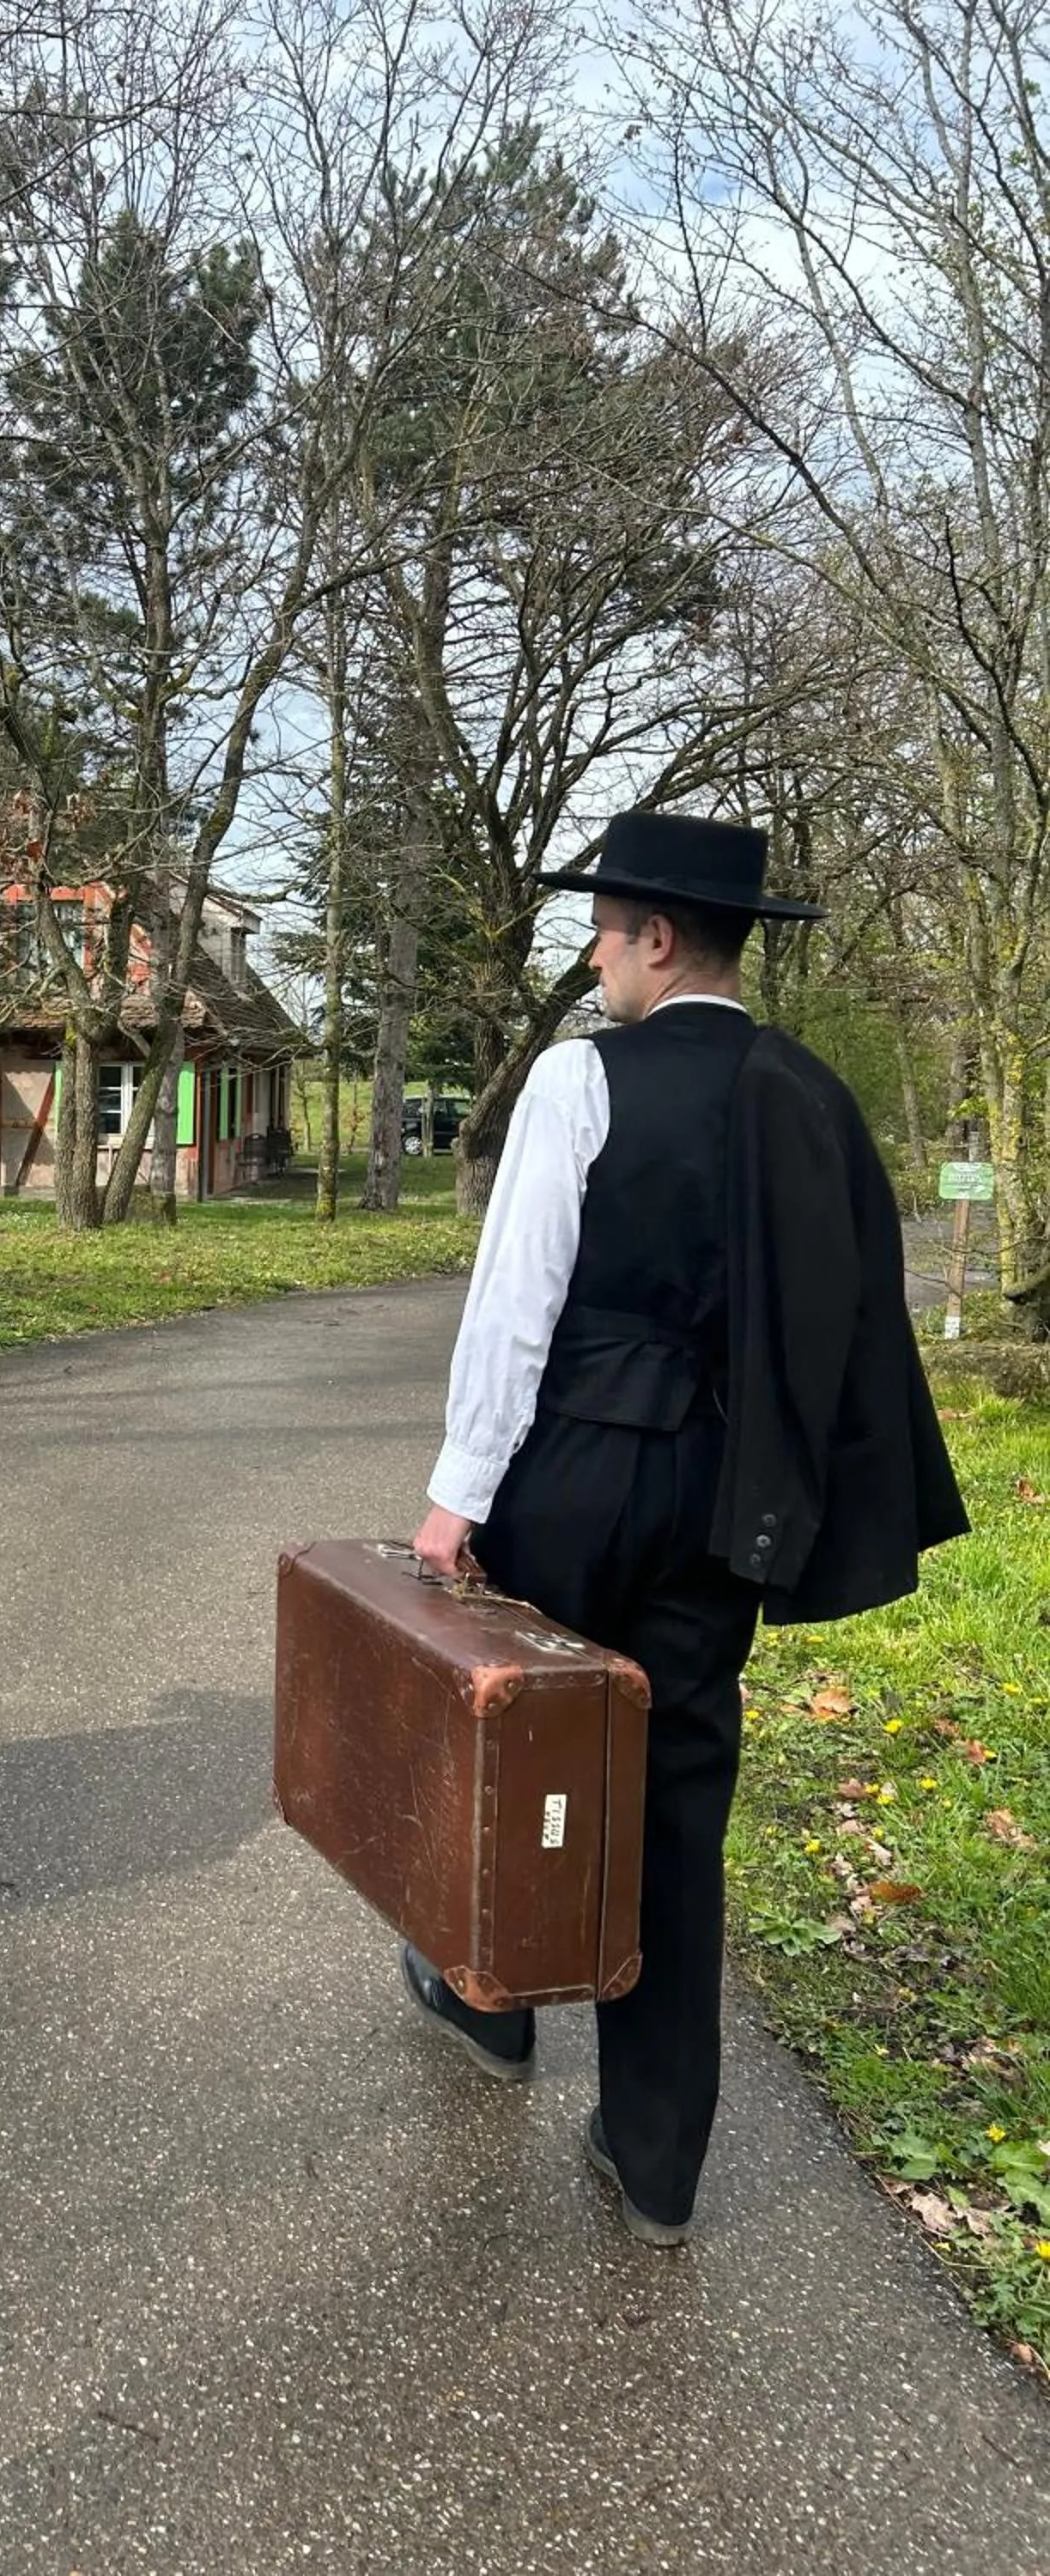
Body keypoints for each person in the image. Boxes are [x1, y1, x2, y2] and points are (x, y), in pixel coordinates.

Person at [405, 811, 968, 2245]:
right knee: (672, 1798)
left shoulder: (579, 1079)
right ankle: (656, 2154)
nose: (595, 955)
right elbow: (848, 1317)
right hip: (729, 1496)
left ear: (658, 937)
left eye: (603, 929)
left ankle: (492, 2008)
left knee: (514, 1744)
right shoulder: (813, 1096)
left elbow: (516, 1297)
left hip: (582, 1471)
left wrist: (458, 1493)